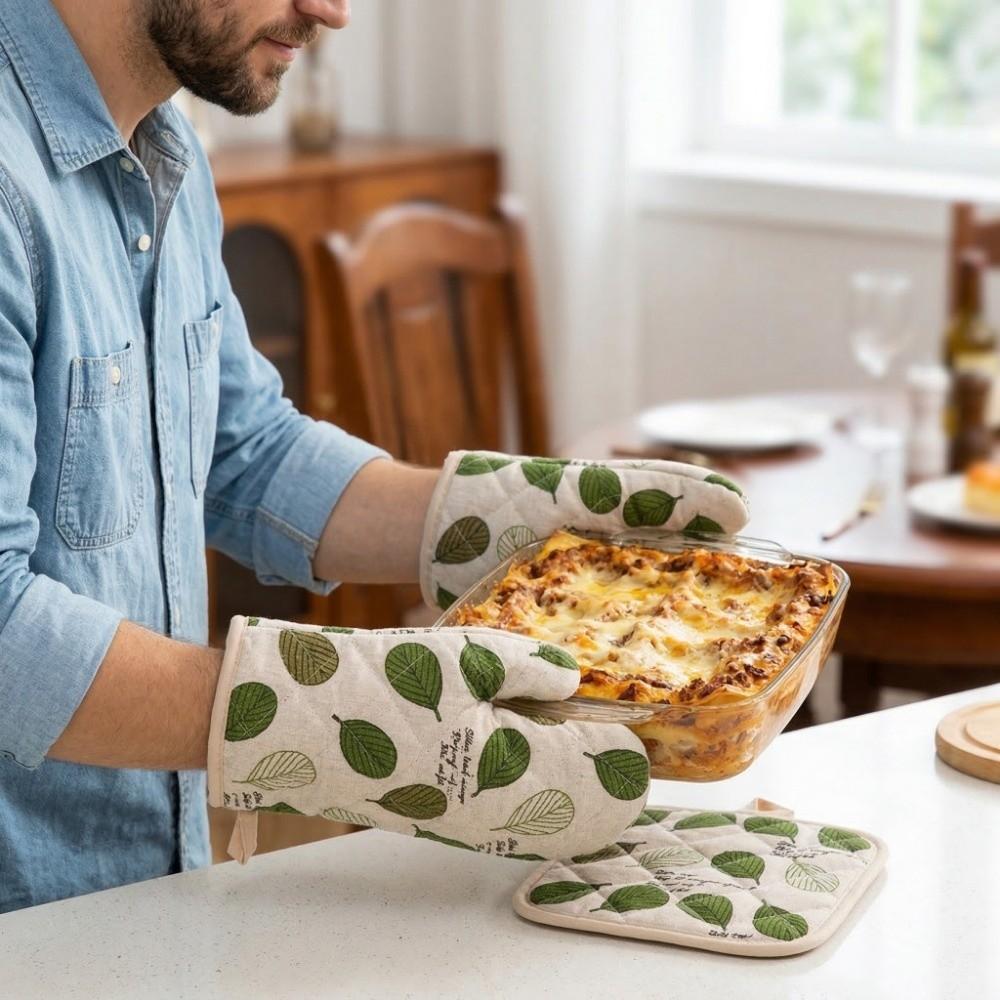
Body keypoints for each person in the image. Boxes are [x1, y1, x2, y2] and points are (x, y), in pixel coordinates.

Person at [0, 0, 748, 913]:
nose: (332, 11)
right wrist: (325, 712)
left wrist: (520, 519)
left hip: (143, 895)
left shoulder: (168, 152)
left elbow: (244, 451)